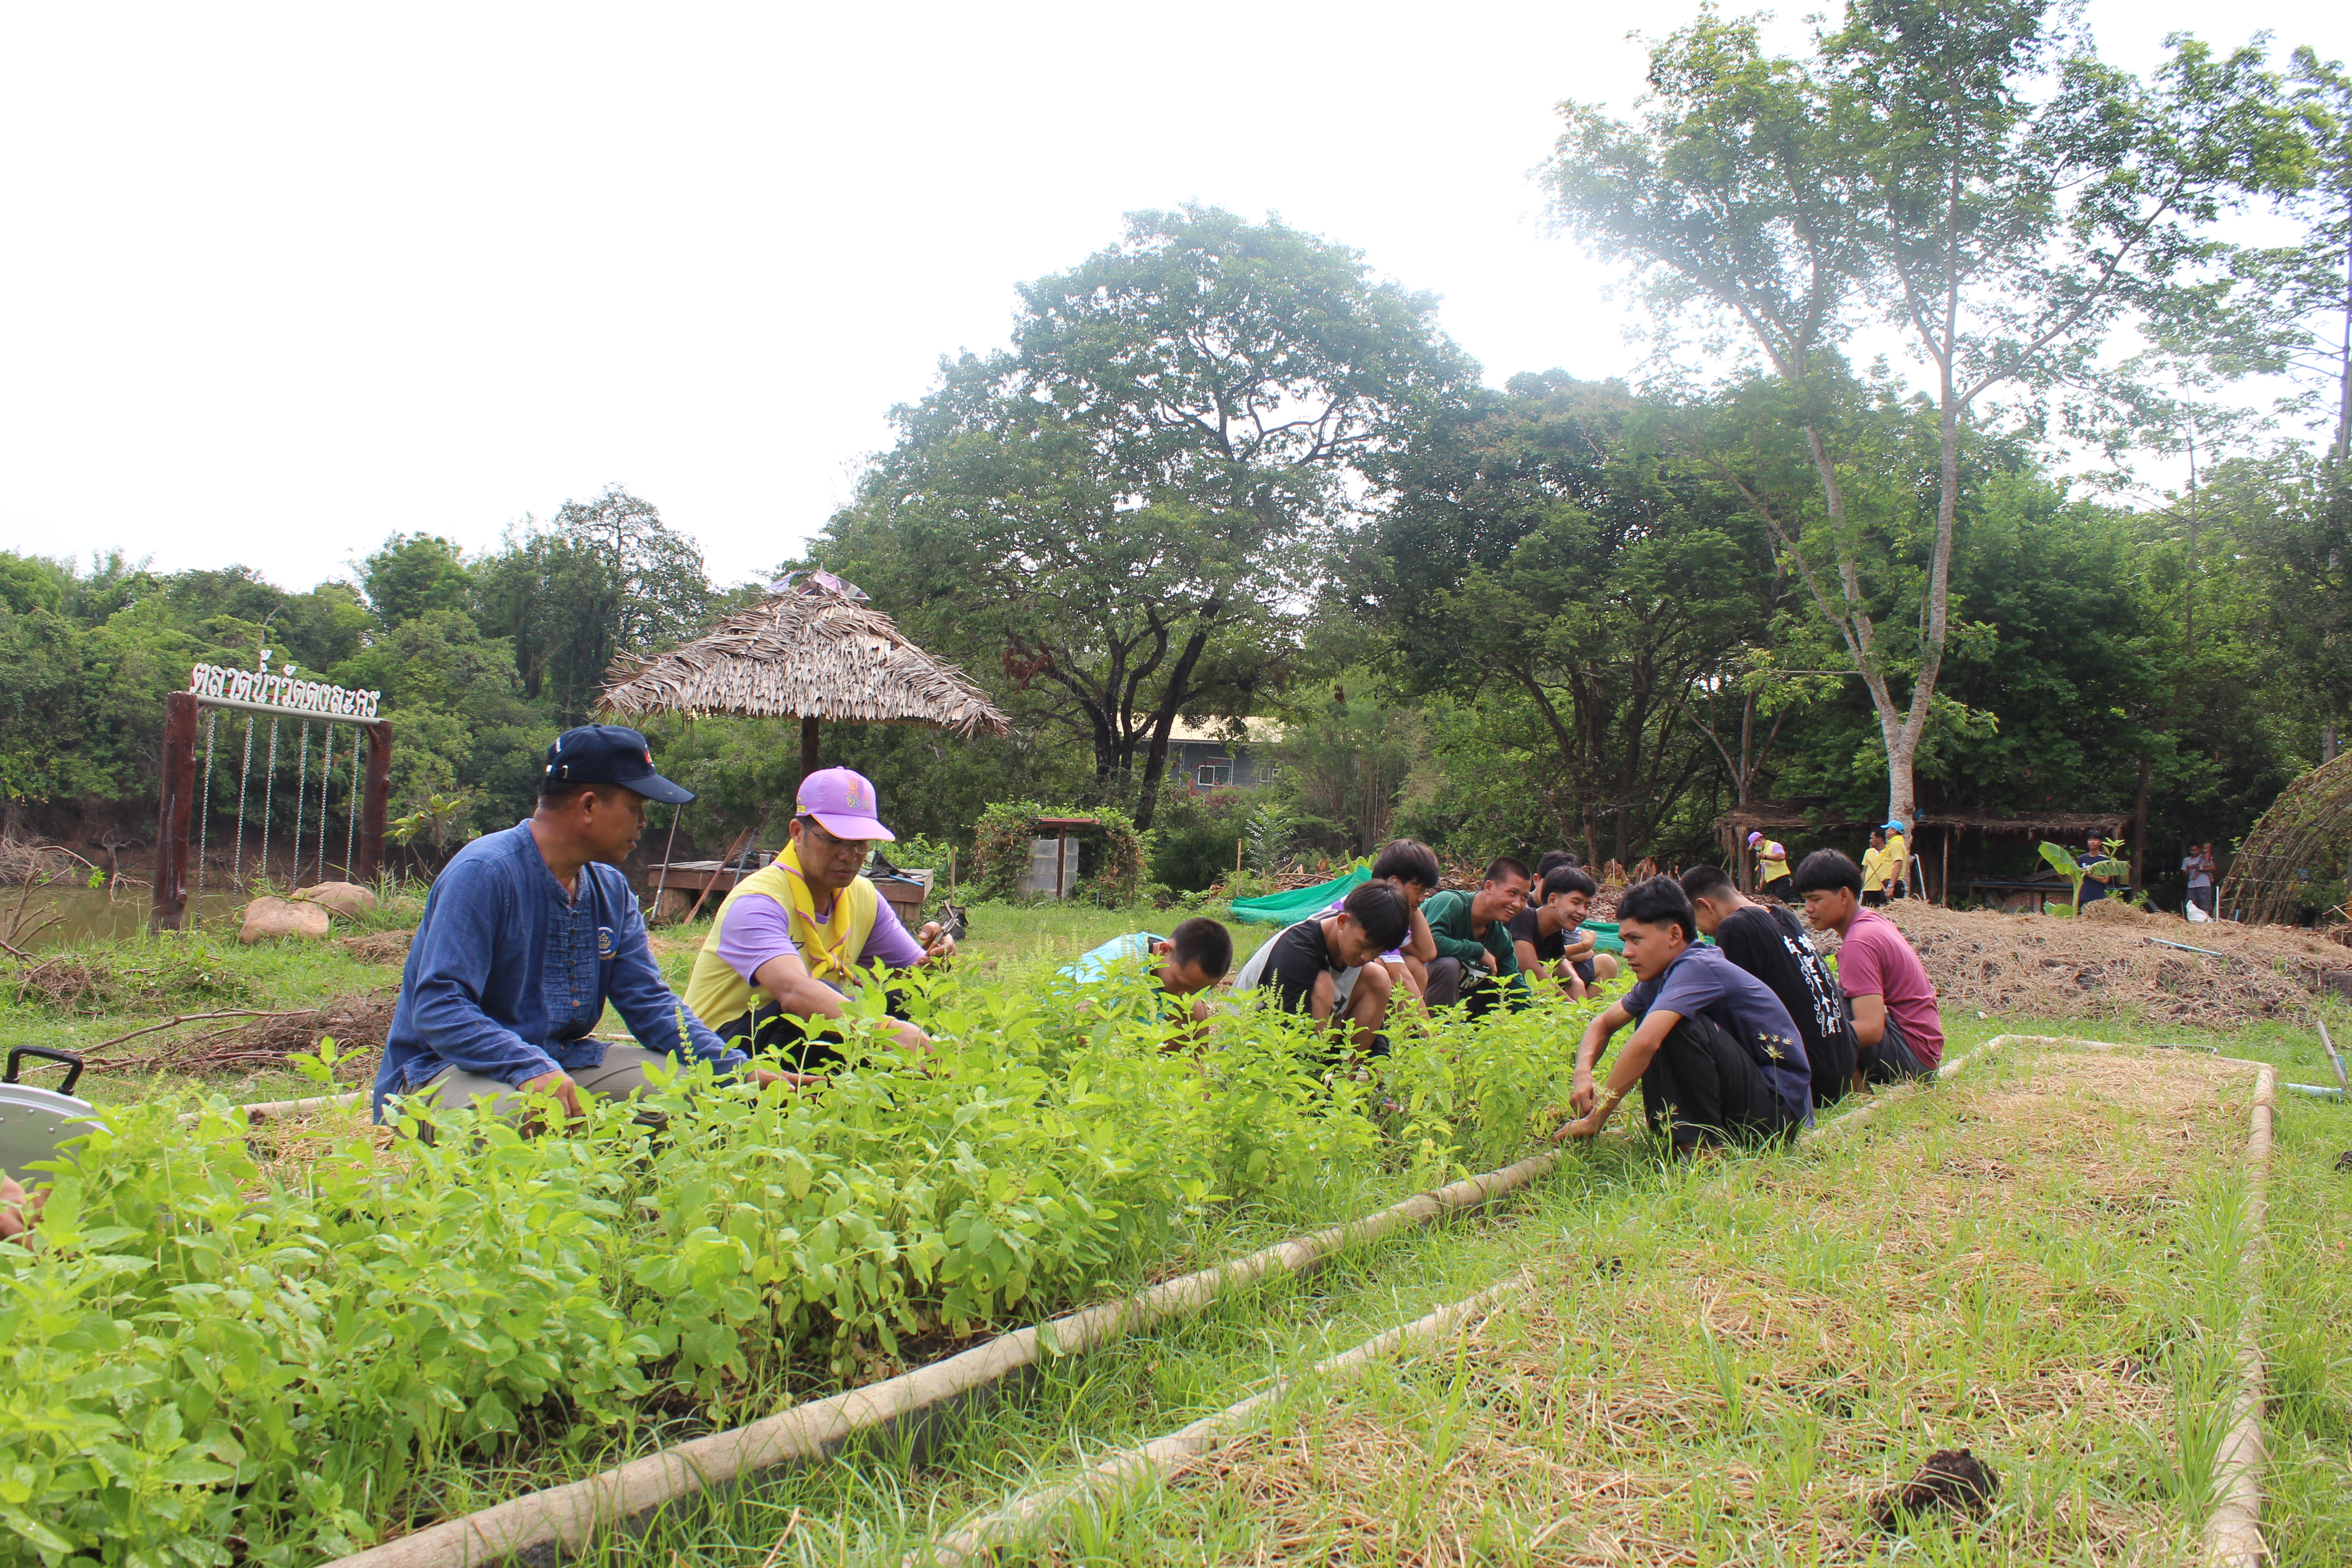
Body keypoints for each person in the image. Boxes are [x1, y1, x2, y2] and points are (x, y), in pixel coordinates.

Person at [373, 725, 793, 1128]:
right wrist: (528, 1067)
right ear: (589, 806)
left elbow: (649, 1003)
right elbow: (440, 1007)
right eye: (636, 807)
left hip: (560, 1061)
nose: (644, 822)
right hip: (441, 1070)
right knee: (523, 1116)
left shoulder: (610, 889)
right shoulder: (486, 872)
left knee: (707, 1095)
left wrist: (735, 1069)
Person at [682, 767, 957, 1073]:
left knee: (906, 998)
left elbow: (914, 975)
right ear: (798, 834)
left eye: (860, 843)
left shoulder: (862, 896)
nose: (849, 856)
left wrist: (936, 959)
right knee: (814, 1009)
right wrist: (883, 1030)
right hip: (715, 1051)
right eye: (834, 840)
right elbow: (794, 992)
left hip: (787, 1036)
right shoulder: (758, 902)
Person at [1551, 876, 1812, 1150]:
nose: (1626, 953)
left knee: (1672, 1026)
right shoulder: (1661, 975)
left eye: (1636, 939)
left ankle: (1700, 1146)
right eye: (1624, 940)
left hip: (1778, 1115)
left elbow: (1645, 1043)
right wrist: (1582, 1072)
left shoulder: (1698, 966)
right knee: (1653, 1015)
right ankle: (1682, 1136)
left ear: (1674, 935)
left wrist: (1596, 1118)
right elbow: (1603, 1023)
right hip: (1748, 1099)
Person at [1681, 864, 1855, 1107]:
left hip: (1806, 1082)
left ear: (1706, 906)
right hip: (1840, 1073)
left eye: (1697, 922)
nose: (1702, 931)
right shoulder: (1783, 916)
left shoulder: (1735, 926)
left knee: (1692, 1024)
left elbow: (1729, 1013)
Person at [1791, 848, 1941, 1083]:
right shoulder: (1871, 921)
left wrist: (1805, 1043)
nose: (1808, 909)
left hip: (1913, 1061)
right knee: (1830, 995)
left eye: (1816, 899)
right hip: (1925, 1052)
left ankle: (1856, 1093)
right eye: (1805, 900)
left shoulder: (1858, 943)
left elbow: (1871, 1030)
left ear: (1844, 895)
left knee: (1823, 1003)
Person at [1240, 880, 1414, 1058]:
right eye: (1364, 946)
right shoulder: (1296, 951)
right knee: (1323, 984)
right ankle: (1316, 1072)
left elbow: (1374, 1023)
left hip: (1317, 1041)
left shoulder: (1351, 947)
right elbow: (1286, 1029)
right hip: (1254, 1050)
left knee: (1378, 977)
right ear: (1343, 921)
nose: (1367, 957)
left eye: (1378, 951)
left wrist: (1380, 1059)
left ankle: (1347, 1073)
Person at [1308, 840, 1444, 1004]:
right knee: (1379, 969)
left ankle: (1398, 1021)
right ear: (1394, 883)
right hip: (1321, 983)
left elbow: (1427, 953)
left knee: (1415, 966)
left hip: (1340, 980)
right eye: (1419, 890)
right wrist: (1428, 1025)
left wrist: (1411, 906)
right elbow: (1401, 976)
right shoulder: (1374, 913)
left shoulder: (1386, 908)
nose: (1422, 899)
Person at [1063, 917, 1235, 1026]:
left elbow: (1199, 1049)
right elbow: (1082, 1017)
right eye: (1183, 985)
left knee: (1193, 1010)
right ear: (1164, 951)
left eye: (1200, 991)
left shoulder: (1185, 970)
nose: (1186, 995)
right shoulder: (1124, 960)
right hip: (1061, 1028)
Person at [1422, 857, 1534, 1014]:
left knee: (1498, 983)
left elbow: (1515, 988)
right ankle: (1437, 1028)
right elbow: (1430, 944)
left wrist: (1537, 1018)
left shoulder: (1501, 938)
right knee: (1447, 965)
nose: (1518, 904)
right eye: (1512, 893)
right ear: (1489, 887)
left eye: (1524, 897)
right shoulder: (1450, 903)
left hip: (1462, 1013)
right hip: (1412, 994)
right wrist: (1478, 950)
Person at [1509, 864, 1619, 1000]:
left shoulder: (1555, 929)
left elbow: (1558, 958)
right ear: (1553, 900)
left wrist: (1576, 981)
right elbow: (1531, 970)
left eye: (1587, 906)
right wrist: (1569, 1004)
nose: (1582, 912)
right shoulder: (1522, 917)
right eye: (1576, 903)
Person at [1747, 831, 1793, 901]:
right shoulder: (1763, 853)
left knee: (1780, 901)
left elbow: (1782, 856)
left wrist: (1765, 857)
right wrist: (1761, 886)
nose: (1755, 848)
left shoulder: (1774, 845)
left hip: (1782, 880)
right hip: (1771, 883)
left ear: (1760, 841)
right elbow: (1764, 872)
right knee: (1770, 902)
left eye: (1755, 845)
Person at [2076, 835, 2117, 906]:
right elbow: (2077, 876)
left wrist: (2088, 874)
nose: (2092, 842)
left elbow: (2105, 880)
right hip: (2083, 896)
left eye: (2096, 840)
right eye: (2090, 840)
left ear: (2100, 842)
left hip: (2099, 897)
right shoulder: (2082, 859)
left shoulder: (2105, 860)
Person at [2184, 841, 2217, 916]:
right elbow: (2185, 876)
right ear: (2189, 850)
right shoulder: (2186, 860)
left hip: (2204, 884)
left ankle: (2205, 918)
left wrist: (2201, 868)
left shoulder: (2204, 857)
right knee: (2191, 905)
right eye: (2192, 850)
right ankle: (2193, 919)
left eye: (2195, 850)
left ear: (2200, 849)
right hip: (2192, 885)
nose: (2194, 852)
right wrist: (2187, 870)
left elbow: (2213, 868)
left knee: (2205, 905)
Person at [1860, 829, 1891, 908]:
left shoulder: (1889, 850)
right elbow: (1864, 870)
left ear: (1880, 839)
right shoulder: (1868, 852)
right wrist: (1861, 885)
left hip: (1884, 888)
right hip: (1869, 888)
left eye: (1872, 838)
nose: (1870, 841)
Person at [1882, 820, 1911, 900]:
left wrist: (1891, 886)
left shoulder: (1896, 844)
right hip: (1891, 882)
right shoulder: (1894, 843)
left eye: (1888, 829)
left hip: (1892, 883)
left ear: (1894, 831)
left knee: (1888, 907)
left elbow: (1898, 864)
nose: (1886, 831)